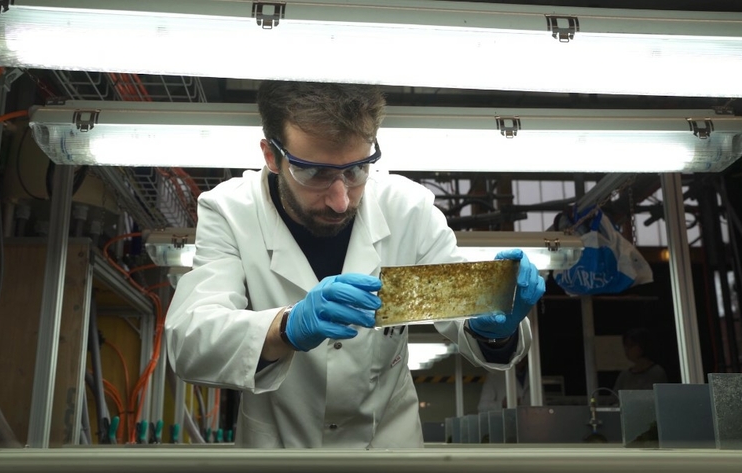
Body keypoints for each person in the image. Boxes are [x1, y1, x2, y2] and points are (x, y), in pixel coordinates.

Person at [164, 81, 546, 448]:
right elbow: (190, 340)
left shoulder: (407, 209)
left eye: (356, 169)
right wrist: (286, 328)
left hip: (387, 453)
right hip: (279, 454)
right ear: (272, 156)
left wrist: (495, 323)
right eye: (314, 173)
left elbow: (469, 319)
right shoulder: (230, 211)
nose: (341, 200)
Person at [612, 327, 668, 393]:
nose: (627, 349)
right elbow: (614, 398)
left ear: (642, 345)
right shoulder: (624, 375)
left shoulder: (656, 372)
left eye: (631, 345)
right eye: (626, 346)